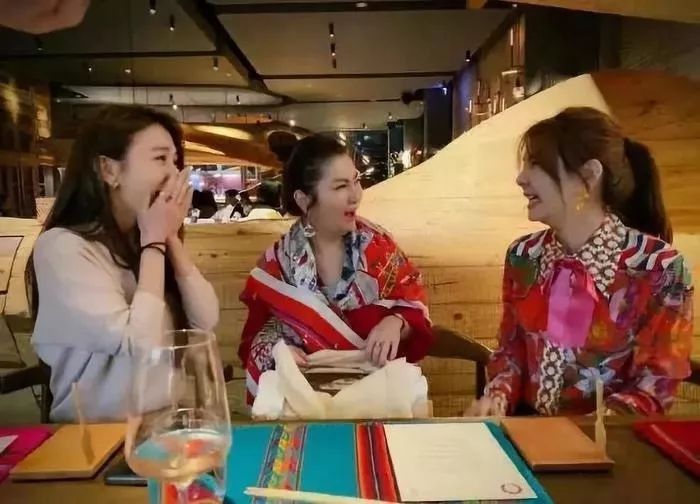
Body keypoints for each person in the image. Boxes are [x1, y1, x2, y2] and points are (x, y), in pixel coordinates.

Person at [469, 107, 693, 417]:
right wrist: (496, 399)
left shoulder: (660, 268)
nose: (521, 179)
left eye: (536, 164)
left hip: (609, 441)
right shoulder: (524, 256)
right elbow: (511, 351)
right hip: (525, 431)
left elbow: (655, 385)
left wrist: (588, 430)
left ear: (588, 176)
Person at [28, 105, 219, 422]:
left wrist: (168, 237)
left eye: (175, 161)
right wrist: (154, 241)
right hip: (97, 435)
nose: (174, 175)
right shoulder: (62, 248)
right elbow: (141, 344)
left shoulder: (142, 241)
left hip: (167, 424)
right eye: (160, 159)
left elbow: (205, 320)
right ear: (109, 170)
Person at [238, 134, 434, 403]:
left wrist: (396, 322)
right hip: (306, 407)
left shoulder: (379, 249)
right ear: (304, 200)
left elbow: (416, 311)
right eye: (341, 186)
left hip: (377, 403)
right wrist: (278, 354)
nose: (356, 195)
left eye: (356, 181)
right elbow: (253, 342)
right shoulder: (276, 267)